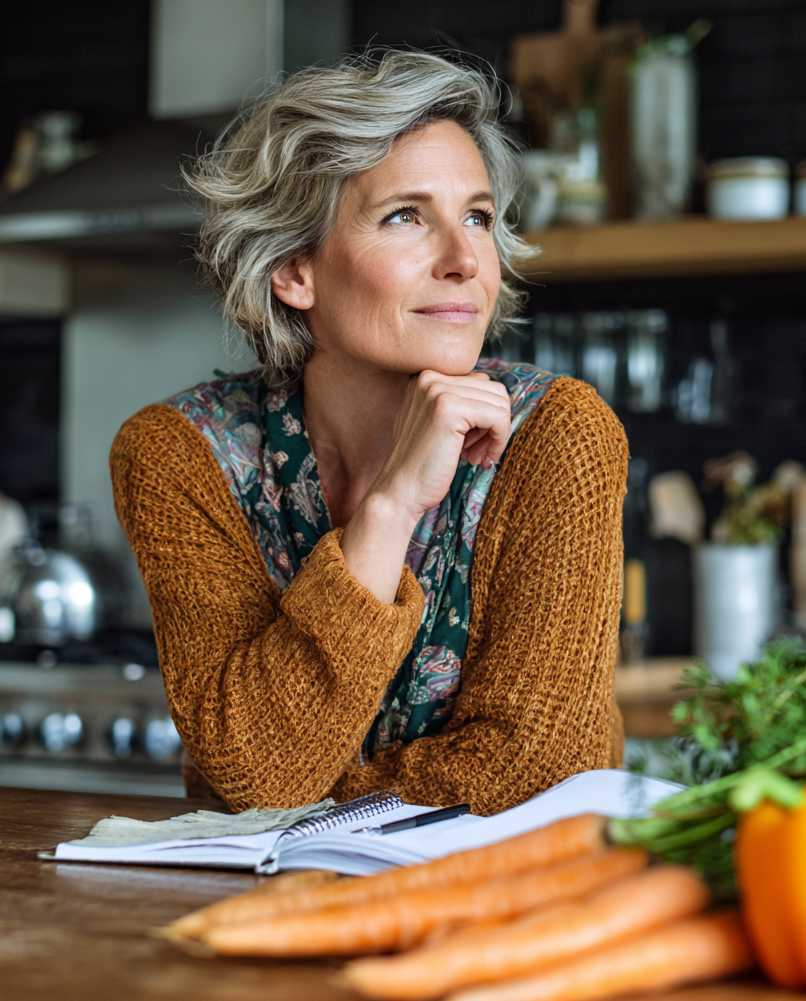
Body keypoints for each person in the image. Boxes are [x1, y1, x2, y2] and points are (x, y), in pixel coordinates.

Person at [110, 50, 626, 815]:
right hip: (270, 905)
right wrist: (388, 511)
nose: (464, 261)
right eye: (406, 217)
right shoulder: (180, 456)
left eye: (478, 218)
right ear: (294, 270)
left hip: (513, 909)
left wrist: (310, 802)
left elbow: (538, 771)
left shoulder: (559, 435)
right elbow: (258, 775)